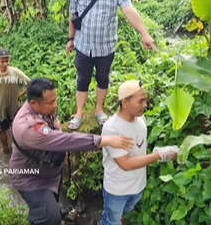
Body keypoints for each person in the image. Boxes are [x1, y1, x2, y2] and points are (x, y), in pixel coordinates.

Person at [9, 77, 134, 225]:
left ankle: (42, 212)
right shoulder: (28, 128)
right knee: (50, 217)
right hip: (31, 178)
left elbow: (53, 125)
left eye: (55, 100)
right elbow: (66, 141)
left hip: (49, 171)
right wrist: (104, 140)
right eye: (50, 103)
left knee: (49, 206)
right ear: (33, 103)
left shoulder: (40, 108)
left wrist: (56, 125)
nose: (55, 105)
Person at [66, 0, 157, 130]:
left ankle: (99, 109)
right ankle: (79, 112)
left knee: (103, 78)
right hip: (83, 45)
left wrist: (144, 34)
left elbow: (129, 11)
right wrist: (70, 39)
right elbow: (74, 17)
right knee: (83, 79)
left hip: (105, 47)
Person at [100, 80, 178, 225]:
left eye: (145, 101)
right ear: (124, 103)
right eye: (140, 101)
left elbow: (139, 147)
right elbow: (126, 164)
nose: (145, 105)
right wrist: (159, 155)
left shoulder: (140, 119)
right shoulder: (112, 128)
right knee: (111, 220)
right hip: (117, 190)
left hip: (138, 185)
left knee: (125, 213)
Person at [0, 48, 30, 153]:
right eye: (2, 61)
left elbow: (30, 84)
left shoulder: (15, 72)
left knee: (16, 129)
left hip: (14, 107)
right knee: (1, 130)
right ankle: (5, 147)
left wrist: (19, 95)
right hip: (0, 108)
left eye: (7, 61)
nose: (5, 63)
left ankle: (17, 148)